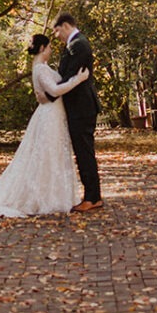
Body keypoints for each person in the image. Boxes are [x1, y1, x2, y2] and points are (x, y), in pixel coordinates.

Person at [0, 33, 91, 218]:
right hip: (49, 116)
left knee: (53, 155)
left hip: (54, 114)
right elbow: (56, 90)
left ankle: (54, 196)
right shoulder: (40, 69)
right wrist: (78, 80)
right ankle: (41, 198)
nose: (50, 50)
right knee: (46, 156)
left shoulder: (43, 67)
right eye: (49, 47)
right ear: (42, 48)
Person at [53, 12, 102, 212]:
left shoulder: (77, 45)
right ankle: (92, 195)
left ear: (65, 26)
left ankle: (92, 197)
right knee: (82, 152)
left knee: (84, 152)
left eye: (57, 32)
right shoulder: (75, 44)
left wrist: (51, 90)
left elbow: (69, 75)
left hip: (82, 107)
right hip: (79, 107)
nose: (57, 37)